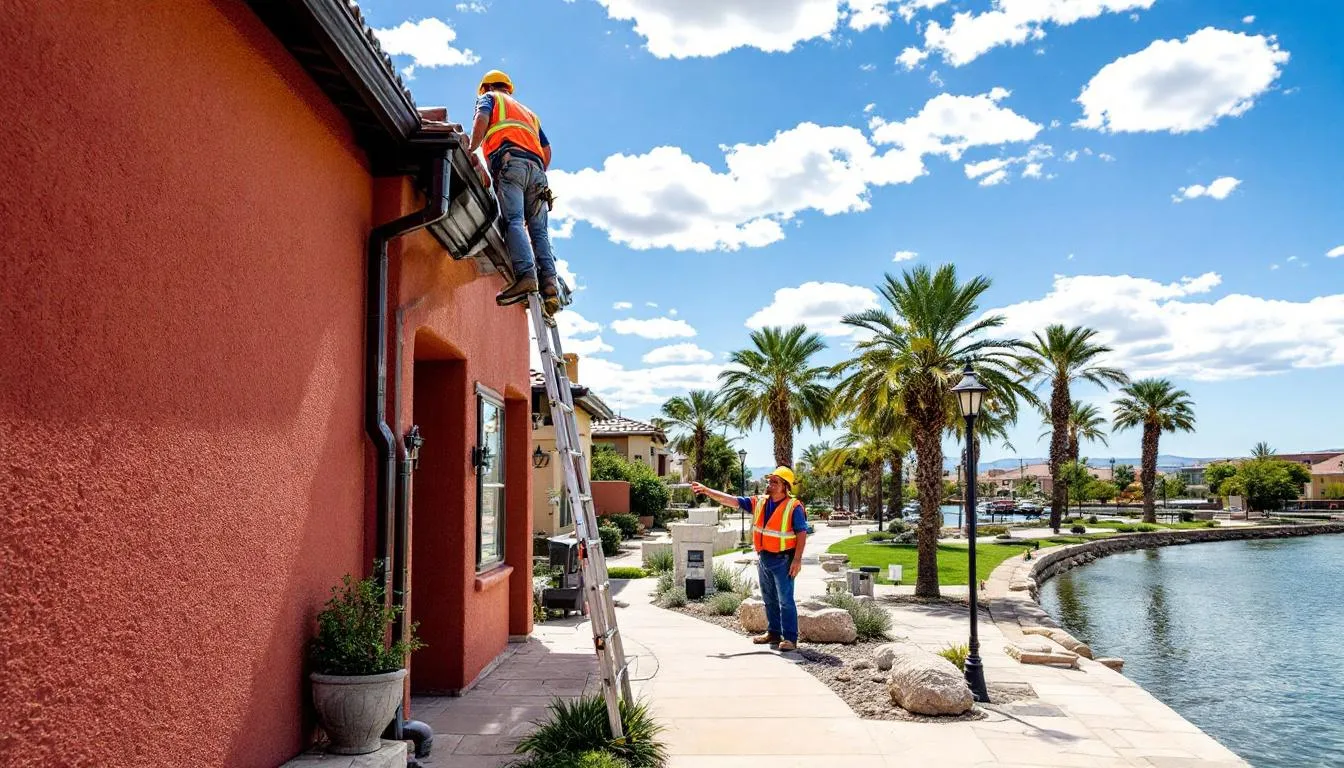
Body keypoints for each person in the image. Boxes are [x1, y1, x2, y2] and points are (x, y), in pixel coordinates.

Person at [468, 69, 560, 314]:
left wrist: (470, 150)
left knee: (514, 221)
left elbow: (481, 120)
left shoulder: (489, 99)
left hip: (510, 163)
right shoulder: (529, 113)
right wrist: (536, 172)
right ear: (508, 88)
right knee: (539, 230)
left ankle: (525, 275)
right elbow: (547, 150)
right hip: (538, 171)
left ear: (487, 87)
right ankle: (550, 284)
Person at [690, 467, 808, 651]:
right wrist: (707, 490)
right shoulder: (760, 502)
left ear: (785, 486)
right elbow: (731, 500)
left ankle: (790, 639)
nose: (770, 484)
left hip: (784, 560)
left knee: (785, 600)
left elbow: (802, 533)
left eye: (775, 482)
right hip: (764, 558)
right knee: (769, 598)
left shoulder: (794, 507)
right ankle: (774, 633)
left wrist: (797, 560)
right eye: (770, 480)